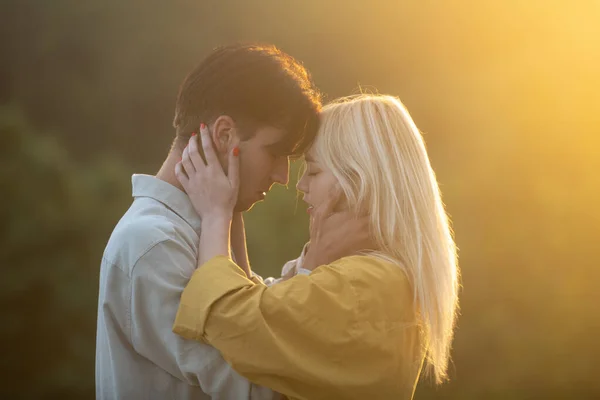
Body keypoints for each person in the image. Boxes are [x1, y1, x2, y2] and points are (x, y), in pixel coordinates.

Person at [172, 94, 461, 400]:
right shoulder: (376, 276)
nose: (301, 186)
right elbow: (271, 316)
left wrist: (217, 214)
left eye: (313, 171)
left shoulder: (362, 283)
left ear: (358, 181)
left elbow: (233, 321)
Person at [95, 43, 324, 400]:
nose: (283, 176)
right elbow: (256, 387)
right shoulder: (154, 244)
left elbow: (252, 323)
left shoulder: (194, 228)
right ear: (224, 135)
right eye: (276, 152)